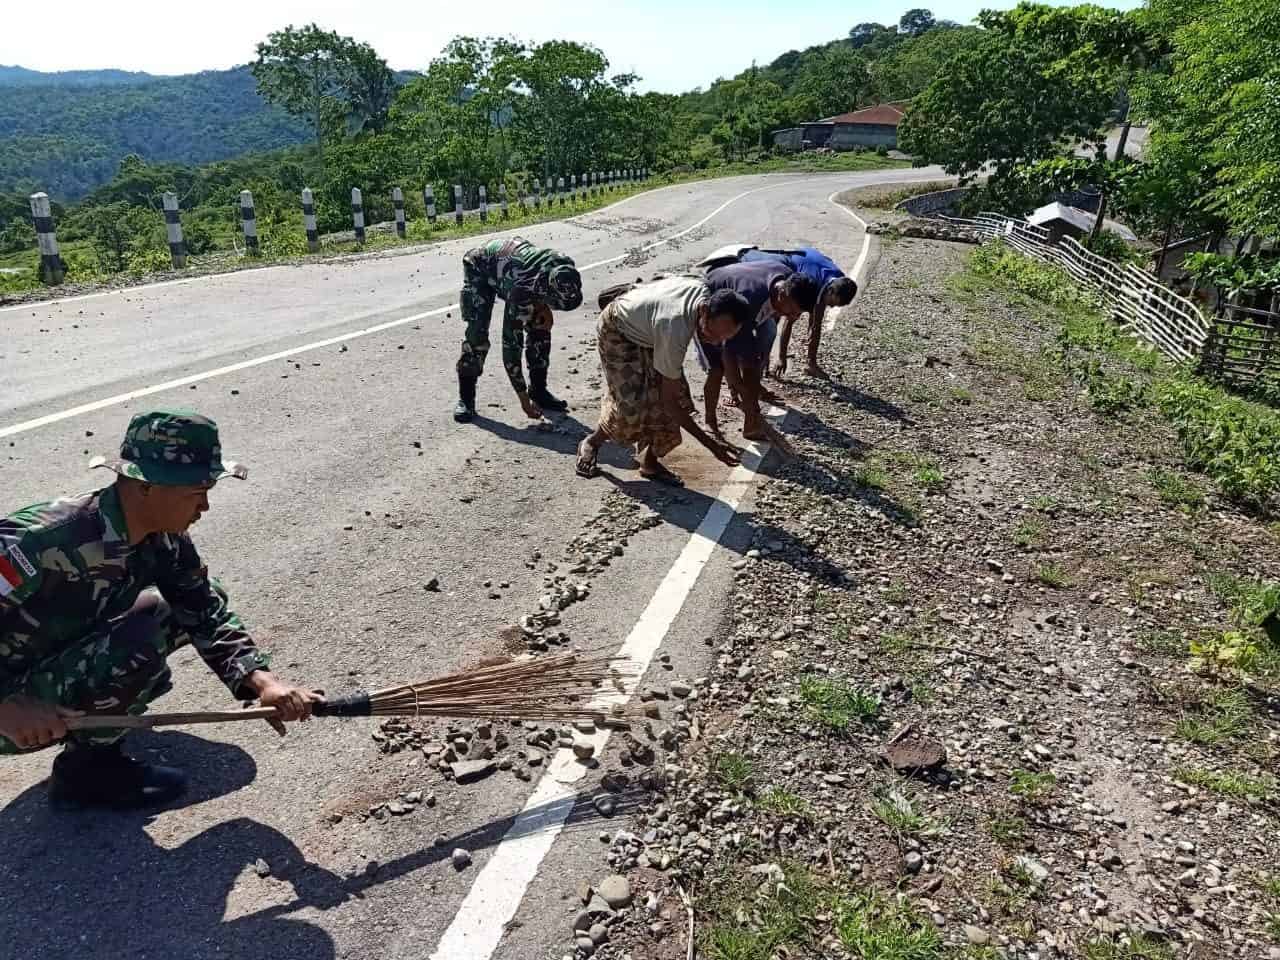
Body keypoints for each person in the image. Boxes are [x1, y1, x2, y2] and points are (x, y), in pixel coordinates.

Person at [0, 409, 320, 809]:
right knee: (143, 632)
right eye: (194, 492)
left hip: (41, 669)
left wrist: (262, 681)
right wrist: (8, 707)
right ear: (144, 487)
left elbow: (203, 610)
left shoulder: (164, 538)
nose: (204, 506)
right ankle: (87, 774)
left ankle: (96, 730)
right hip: (12, 709)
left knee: (172, 609)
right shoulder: (42, 539)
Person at [575, 277, 750, 487]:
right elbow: (670, 403)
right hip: (619, 330)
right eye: (711, 333)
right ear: (703, 310)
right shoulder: (676, 327)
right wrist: (712, 446)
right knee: (631, 407)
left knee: (679, 397)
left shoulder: (705, 292)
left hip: (651, 328)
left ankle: (650, 463)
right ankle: (592, 442)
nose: (715, 341)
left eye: (724, 337)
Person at [454, 236, 584, 422]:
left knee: (540, 324)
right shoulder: (521, 289)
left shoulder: (564, 265)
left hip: (515, 269)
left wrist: (543, 308)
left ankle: (539, 391)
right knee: (477, 333)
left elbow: (542, 284)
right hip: (480, 268)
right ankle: (466, 400)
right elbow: (511, 348)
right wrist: (523, 400)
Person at [700, 261, 818, 441]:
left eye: (798, 313)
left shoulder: (787, 278)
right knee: (717, 368)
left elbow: (750, 358)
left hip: (743, 297)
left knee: (756, 357)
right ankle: (710, 421)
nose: (793, 317)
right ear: (782, 294)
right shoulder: (751, 301)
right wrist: (742, 390)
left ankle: (750, 414)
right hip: (714, 301)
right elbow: (729, 351)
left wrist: (750, 391)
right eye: (792, 311)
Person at [739, 247, 857, 380]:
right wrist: (782, 358)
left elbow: (815, 326)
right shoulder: (812, 287)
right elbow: (789, 321)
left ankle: (810, 364)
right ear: (830, 291)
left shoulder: (840, 281)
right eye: (833, 303)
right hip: (793, 262)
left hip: (810, 260)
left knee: (815, 321)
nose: (832, 306)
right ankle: (763, 359)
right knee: (776, 314)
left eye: (837, 305)